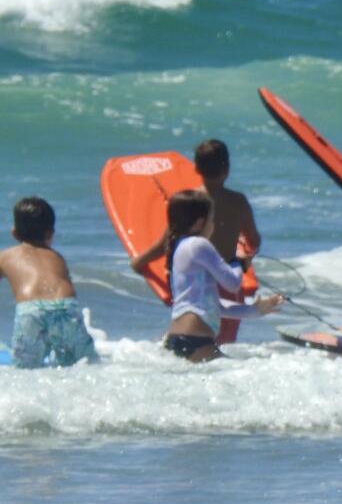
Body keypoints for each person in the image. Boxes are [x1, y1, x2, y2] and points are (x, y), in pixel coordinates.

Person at [131, 139, 262, 344]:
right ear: (227, 168)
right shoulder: (238, 202)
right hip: (226, 280)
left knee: (197, 339)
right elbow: (254, 241)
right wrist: (243, 257)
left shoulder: (191, 203)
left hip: (195, 285)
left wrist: (139, 262)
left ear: (196, 168)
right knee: (225, 344)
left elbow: (165, 243)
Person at [159, 190, 281, 362]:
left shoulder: (180, 247)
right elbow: (232, 283)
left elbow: (214, 307)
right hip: (196, 340)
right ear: (200, 223)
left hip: (179, 337)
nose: (213, 225)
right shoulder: (198, 244)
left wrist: (256, 310)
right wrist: (237, 262)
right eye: (212, 220)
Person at [1, 197, 99, 369]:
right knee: (84, 364)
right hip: (66, 307)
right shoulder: (57, 257)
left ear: (14, 233)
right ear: (50, 233)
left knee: (25, 370)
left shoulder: (6, 256)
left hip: (31, 311)